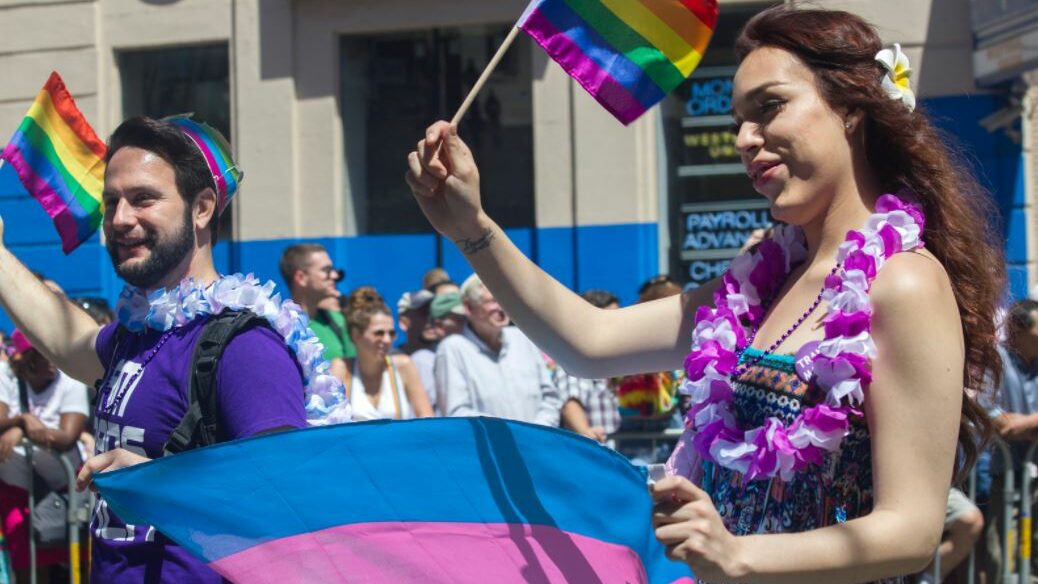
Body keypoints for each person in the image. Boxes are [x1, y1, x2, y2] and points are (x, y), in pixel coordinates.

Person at [406, 5, 1003, 581]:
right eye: (737, 120)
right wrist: (471, 228)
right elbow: (590, 341)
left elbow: (911, 532)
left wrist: (738, 556)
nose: (744, 138)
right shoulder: (760, 282)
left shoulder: (904, 281)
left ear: (850, 107)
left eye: (769, 107)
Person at [0, 115, 348, 582]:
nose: (119, 219)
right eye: (111, 202)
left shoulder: (245, 346)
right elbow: (69, 341)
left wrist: (162, 484)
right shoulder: (138, 332)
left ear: (201, 208)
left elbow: (287, 497)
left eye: (143, 199)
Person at [0, 331, 89, 582]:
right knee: (25, 557)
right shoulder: (5, 376)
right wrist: (21, 420)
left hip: (64, 486)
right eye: (46, 352)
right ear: (28, 356)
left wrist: (22, 431)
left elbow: (67, 437)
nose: (54, 358)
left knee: (75, 554)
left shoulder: (70, 379)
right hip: (16, 487)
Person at [434, 274, 561, 426]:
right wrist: (508, 431)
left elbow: (550, 397)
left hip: (534, 439)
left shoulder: (523, 339)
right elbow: (456, 411)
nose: (502, 308)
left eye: (505, 300)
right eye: (493, 301)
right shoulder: (453, 349)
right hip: (487, 441)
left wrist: (536, 430)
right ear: (468, 307)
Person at [980, 299, 1038, 583]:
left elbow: (1013, 426)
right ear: (1018, 330)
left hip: (1034, 471)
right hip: (1004, 473)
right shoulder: (995, 361)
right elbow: (995, 419)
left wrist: (1022, 424)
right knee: (998, 555)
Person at [344, 287, 433, 421]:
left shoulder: (404, 365)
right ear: (356, 335)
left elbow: (427, 417)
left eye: (391, 333)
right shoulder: (343, 369)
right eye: (379, 333)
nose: (387, 340)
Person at [279, 243, 354, 381]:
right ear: (301, 278)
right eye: (326, 270)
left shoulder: (339, 322)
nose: (334, 275)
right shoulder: (277, 329)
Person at [555, 290, 621, 443]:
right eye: (612, 319)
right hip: (594, 451)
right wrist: (585, 432)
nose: (620, 325)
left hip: (618, 450)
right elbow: (570, 402)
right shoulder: (575, 360)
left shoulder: (617, 362)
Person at [397, 289, 440, 411]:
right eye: (424, 313)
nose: (431, 319)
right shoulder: (391, 361)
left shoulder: (449, 354)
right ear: (404, 322)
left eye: (434, 312)